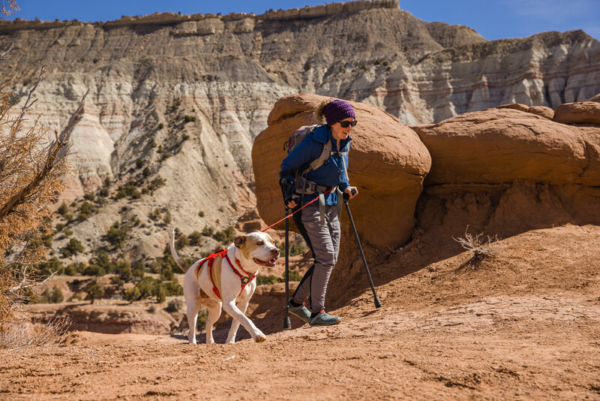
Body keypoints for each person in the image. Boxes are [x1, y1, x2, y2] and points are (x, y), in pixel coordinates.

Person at [279, 99, 358, 326]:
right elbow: (286, 168)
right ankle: (317, 312)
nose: (349, 127)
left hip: (332, 203)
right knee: (324, 258)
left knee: (330, 259)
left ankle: (296, 304)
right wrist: (289, 195)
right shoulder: (314, 143)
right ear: (332, 122)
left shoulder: (345, 143)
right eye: (345, 123)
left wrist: (346, 188)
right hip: (308, 204)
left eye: (353, 122)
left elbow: (341, 174)